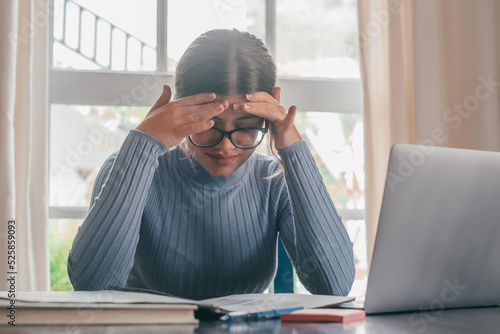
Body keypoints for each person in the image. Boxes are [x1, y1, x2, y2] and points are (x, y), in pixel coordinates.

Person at [67, 29, 355, 300]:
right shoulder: (130, 167)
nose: (226, 145)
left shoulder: (274, 181)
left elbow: (333, 286)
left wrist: (293, 148)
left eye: (247, 126)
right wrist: (143, 144)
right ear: (179, 111)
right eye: (209, 123)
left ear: (269, 115)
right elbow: (92, 287)